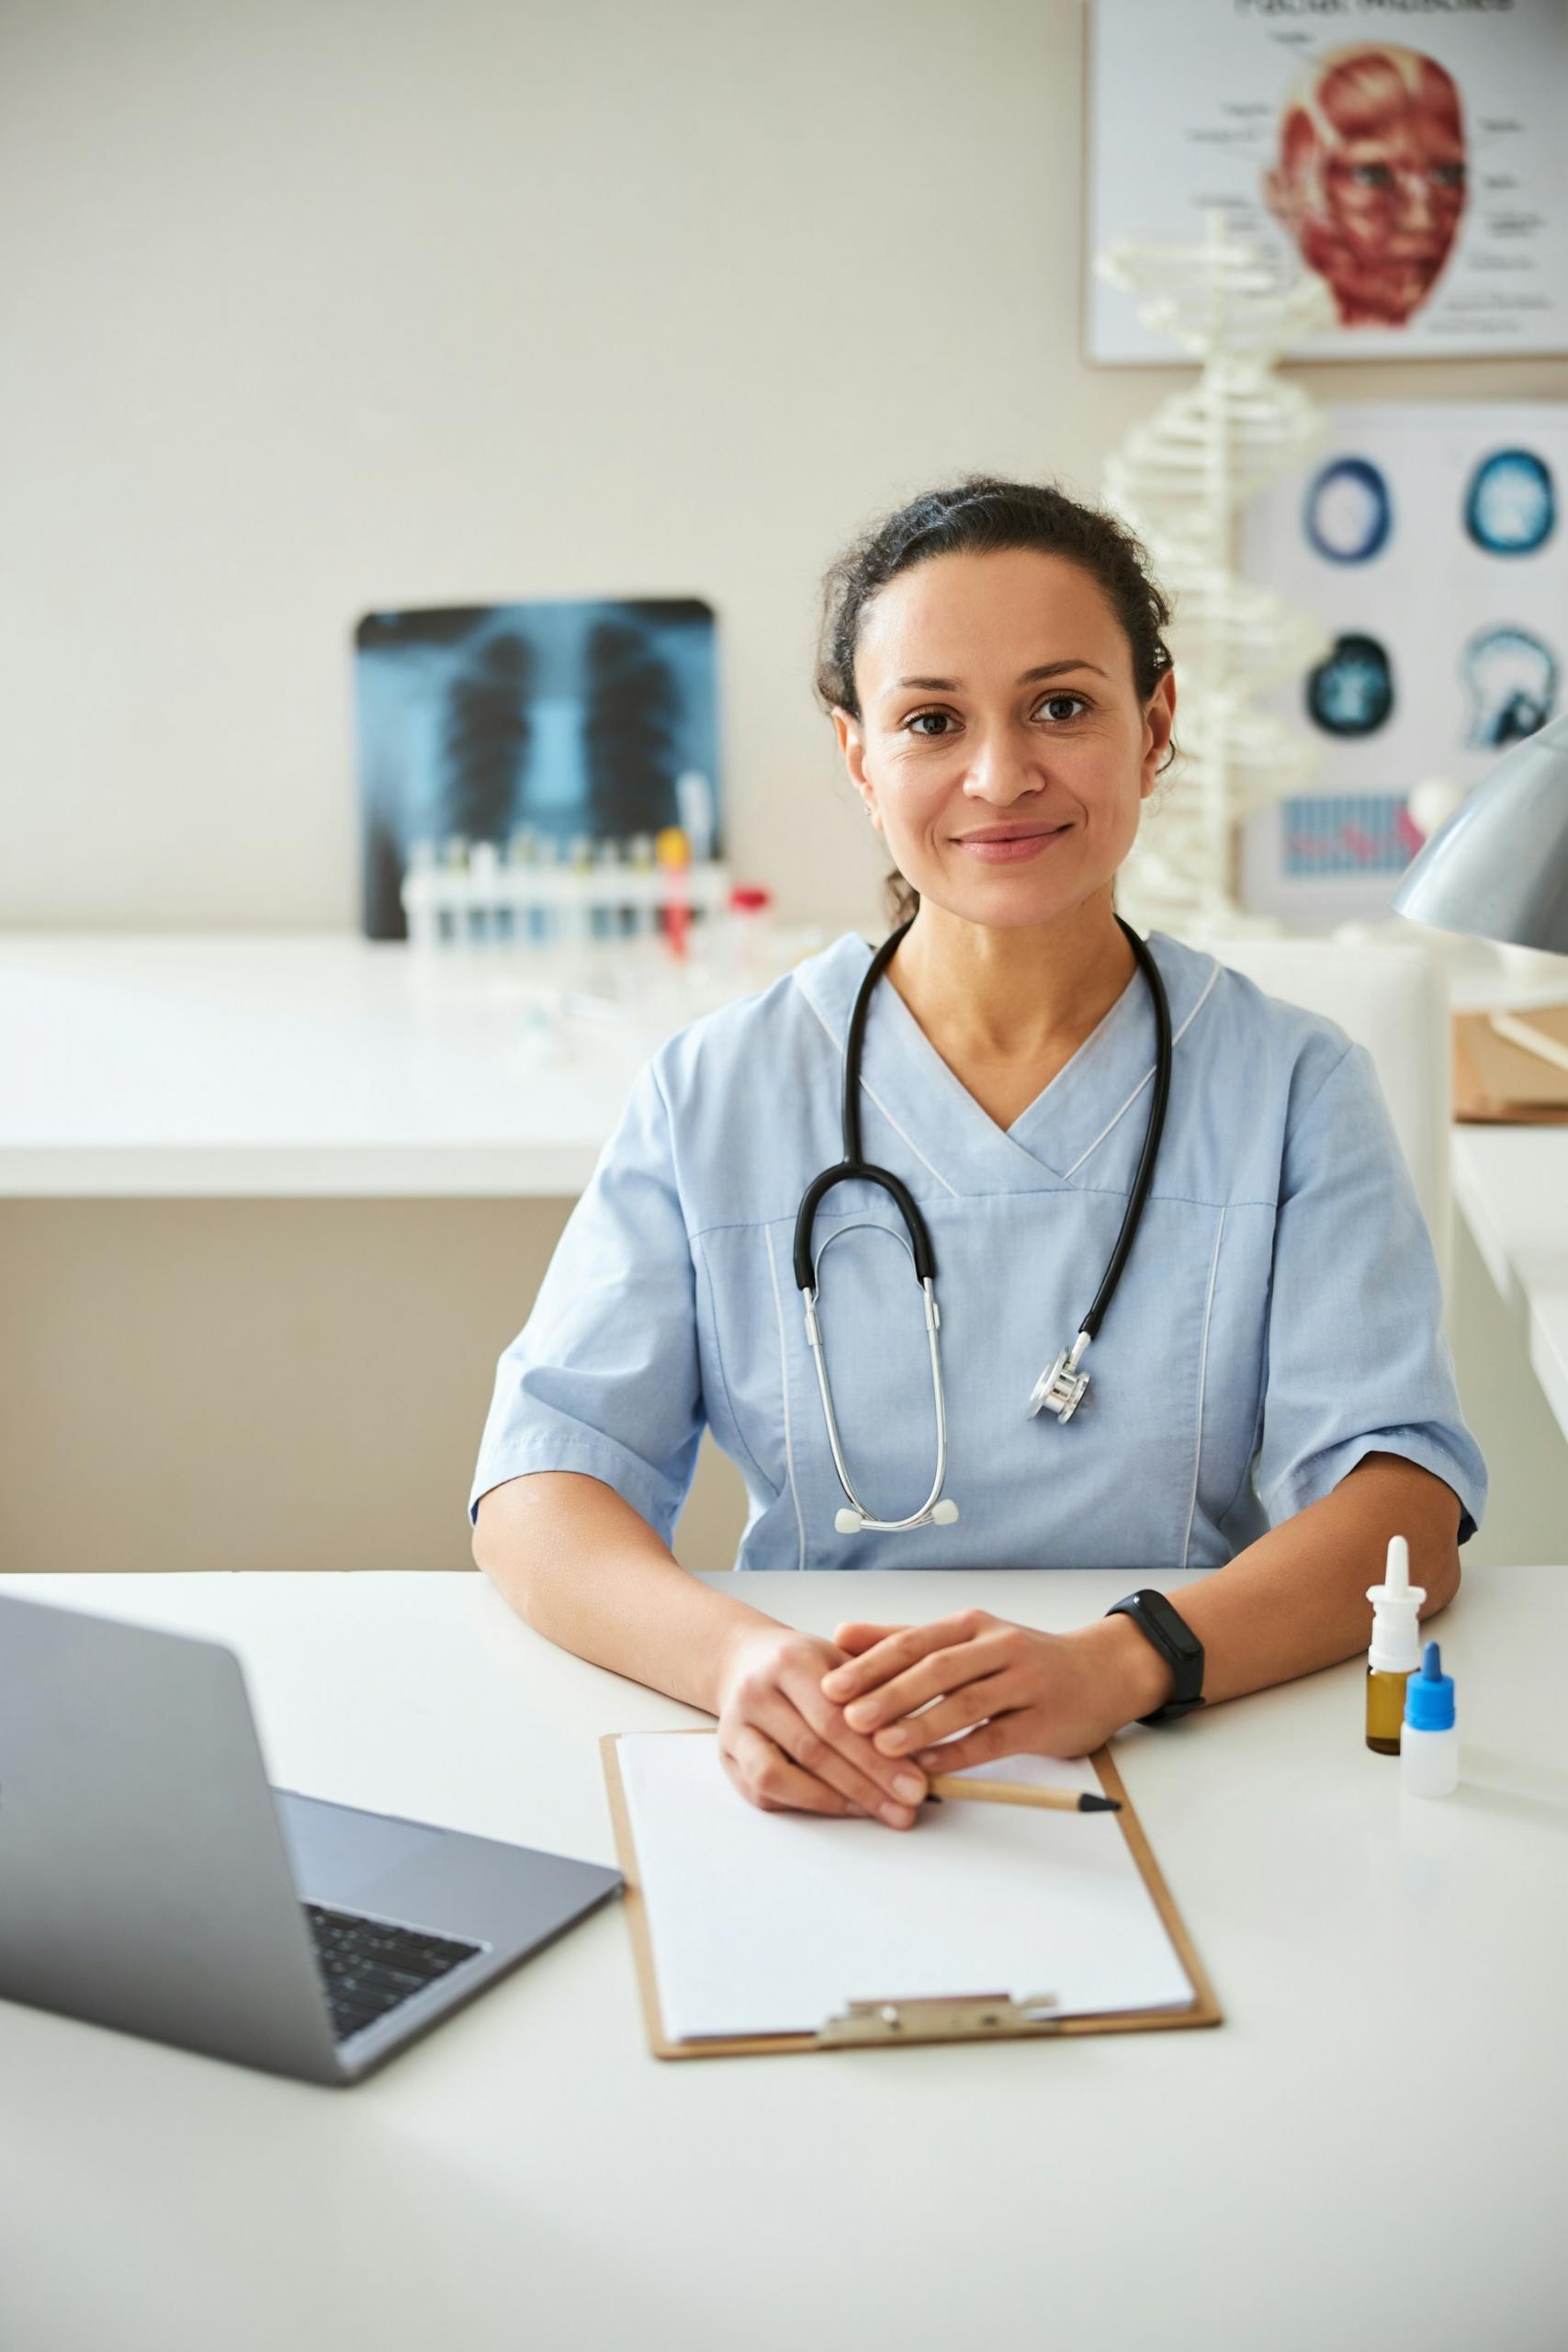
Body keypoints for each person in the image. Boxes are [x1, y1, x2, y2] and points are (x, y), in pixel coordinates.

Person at [469, 476, 1485, 1833]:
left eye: (1062, 705)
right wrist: (738, 1666)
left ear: (1155, 723)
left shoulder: (1296, 1087)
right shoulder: (721, 1087)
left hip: (1192, 1750)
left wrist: (1125, 1663)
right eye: (933, 721)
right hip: (826, 1753)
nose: (1001, 775)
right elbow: (544, 1484)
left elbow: (1403, 1504)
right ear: (858, 755)